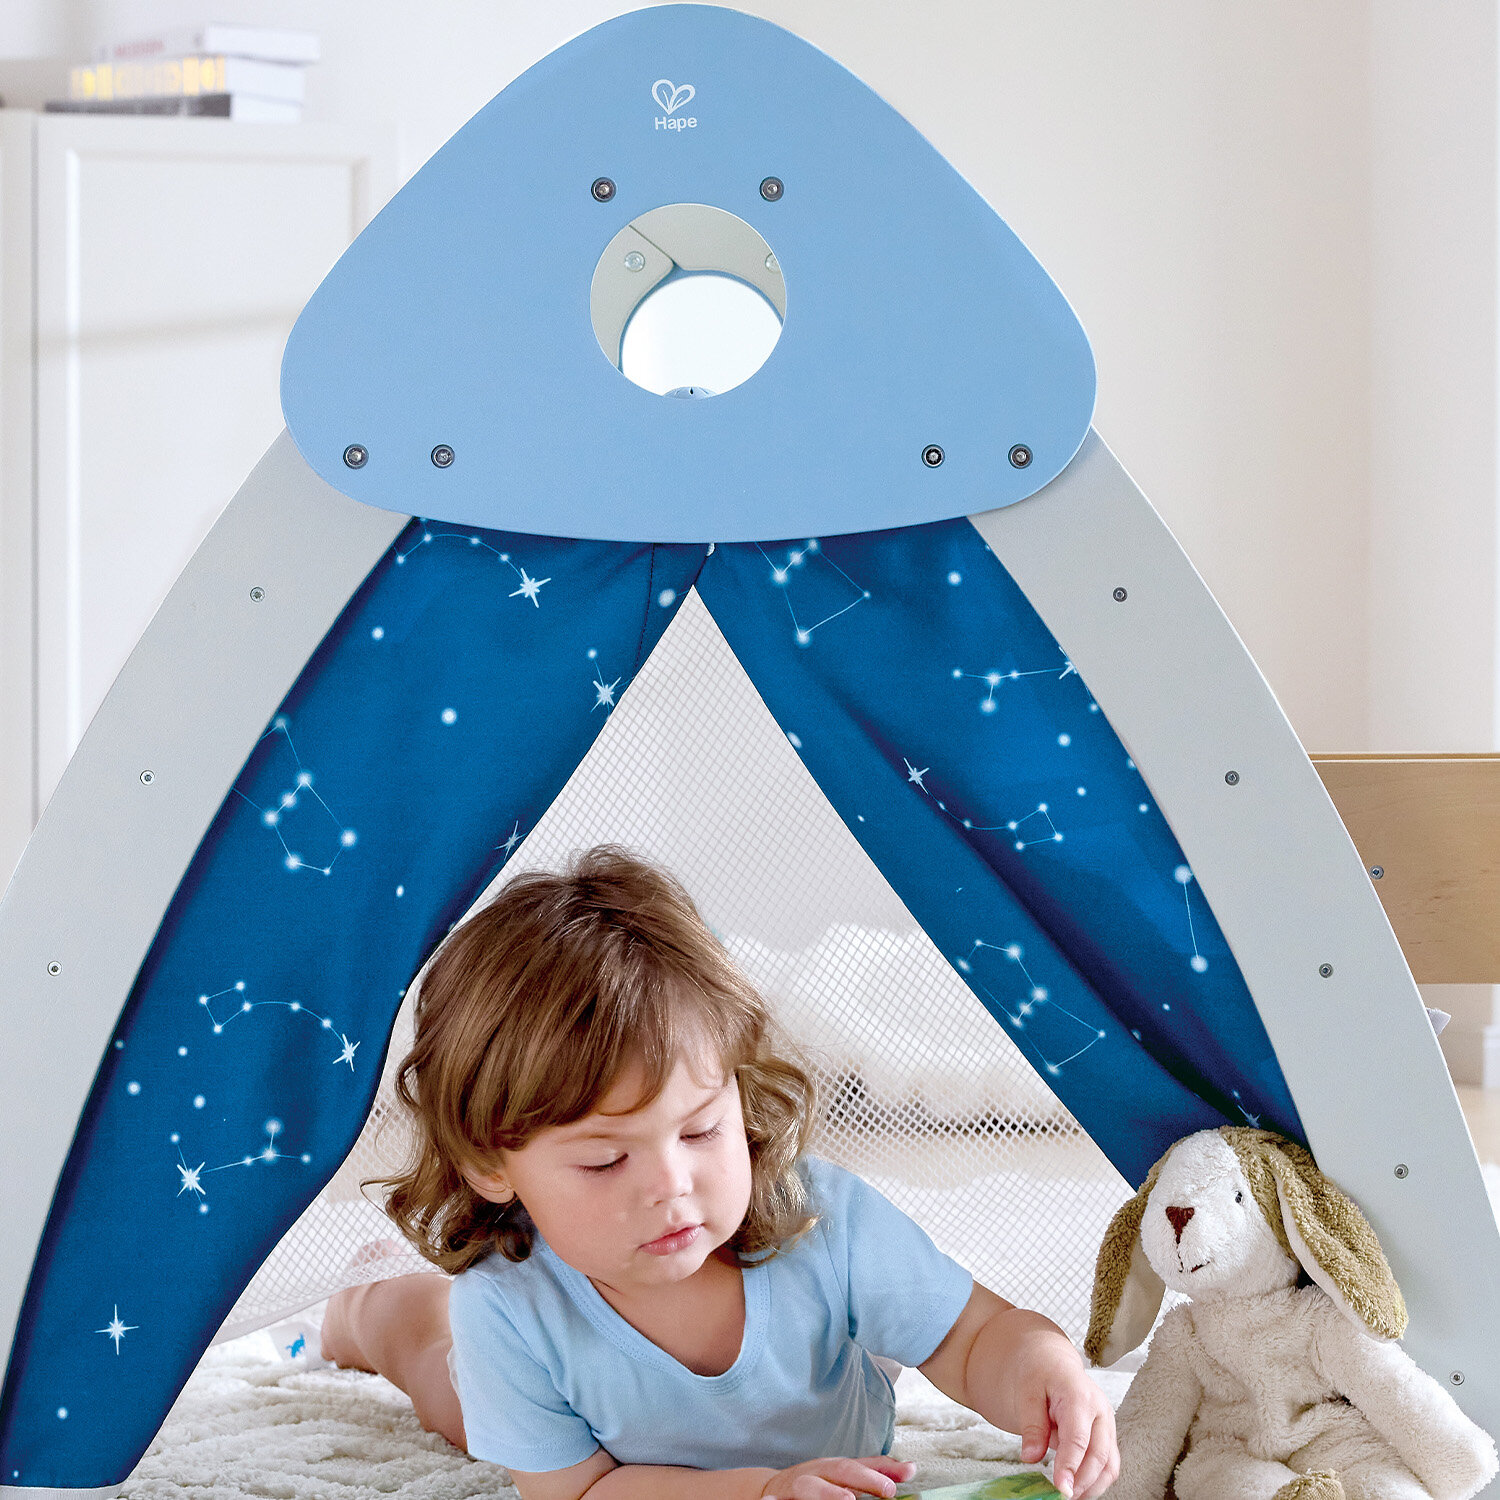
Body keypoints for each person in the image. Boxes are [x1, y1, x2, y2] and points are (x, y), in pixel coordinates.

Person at [321, 846, 1119, 1500]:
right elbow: (582, 1492)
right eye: (606, 1159)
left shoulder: (826, 1219)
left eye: (701, 1129)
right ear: (489, 1163)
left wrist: (1045, 1371)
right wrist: (762, 1492)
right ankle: (370, 1299)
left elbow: (975, 1337)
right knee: (440, 1376)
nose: (671, 1184)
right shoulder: (509, 1309)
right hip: (584, 1432)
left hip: (813, 1366)